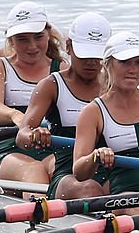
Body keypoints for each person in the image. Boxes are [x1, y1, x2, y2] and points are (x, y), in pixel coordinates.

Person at [72, 31, 139, 214]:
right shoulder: (93, 112)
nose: (133, 70)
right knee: (138, 207)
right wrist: (96, 155)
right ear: (107, 64)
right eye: (125, 62)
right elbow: (79, 172)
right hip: (128, 196)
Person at [16, 12, 112, 199]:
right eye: (84, 55)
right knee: (90, 189)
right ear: (69, 46)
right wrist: (34, 134)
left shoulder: (115, 87)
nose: (91, 62)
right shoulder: (51, 85)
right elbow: (21, 135)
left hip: (111, 172)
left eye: (96, 55)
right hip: (68, 175)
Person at [0, 2, 66, 184]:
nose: (32, 46)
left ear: (48, 35)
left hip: (51, 147)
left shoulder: (63, 70)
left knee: (65, 172)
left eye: (38, 37)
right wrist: (17, 117)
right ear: (10, 40)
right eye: (23, 39)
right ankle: (41, 210)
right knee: (33, 170)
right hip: (7, 147)